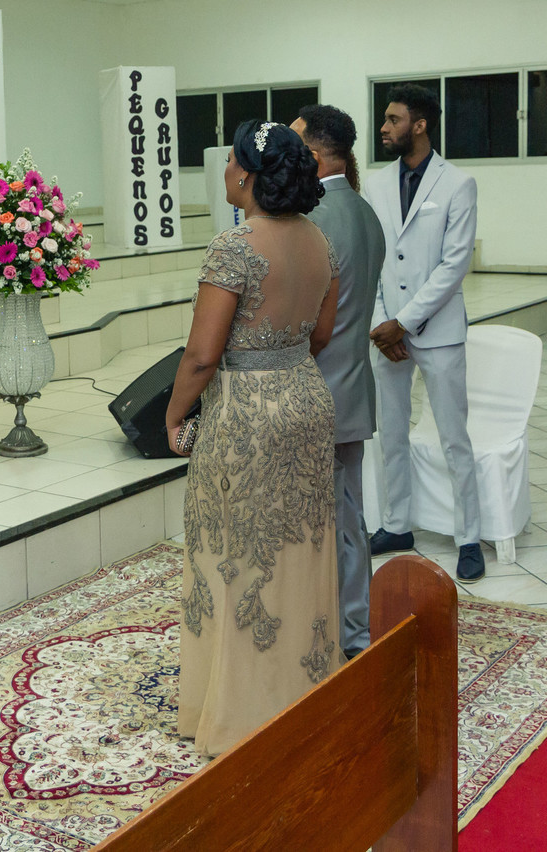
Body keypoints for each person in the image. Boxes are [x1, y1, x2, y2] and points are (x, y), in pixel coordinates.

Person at [166, 119, 340, 757]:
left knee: (233, 552)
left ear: (245, 173)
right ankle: (302, 691)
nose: (223, 172)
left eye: (229, 162)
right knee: (300, 549)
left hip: (246, 415)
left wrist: (175, 414)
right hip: (305, 398)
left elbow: (201, 355)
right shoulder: (318, 239)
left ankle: (238, 711)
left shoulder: (234, 248)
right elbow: (324, 332)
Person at [363, 84, 483, 583]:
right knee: (390, 434)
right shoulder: (374, 184)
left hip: (435, 331)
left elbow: (453, 266)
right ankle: (396, 525)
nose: (384, 128)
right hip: (385, 331)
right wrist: (379, 324)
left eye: (393, 119)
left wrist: (404, 322)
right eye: (385, 119)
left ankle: (469, 536)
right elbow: (371, 258)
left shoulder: (457, 183)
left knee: (454, 437)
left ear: (420, 124)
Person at [291, 105, 386, 659]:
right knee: (348, 517)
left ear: (313, 154)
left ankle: (333, 635)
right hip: (352, 387)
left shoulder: (315, 218)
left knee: (323, 526)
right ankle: (352, 630)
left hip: (316, 389)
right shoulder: (363, 210)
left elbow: (313, 326)